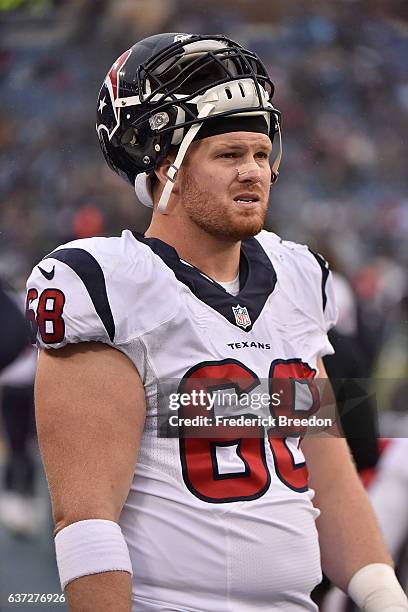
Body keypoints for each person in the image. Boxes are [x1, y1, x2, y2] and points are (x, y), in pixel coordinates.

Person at [26, 33, 408, 611]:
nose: (253, 171)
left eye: (260, 153)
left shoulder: (300, 278)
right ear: (165, 168)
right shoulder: (108, 285)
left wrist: (382, 593)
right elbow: (86, 520)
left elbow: (327, 471)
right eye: (229, 155)